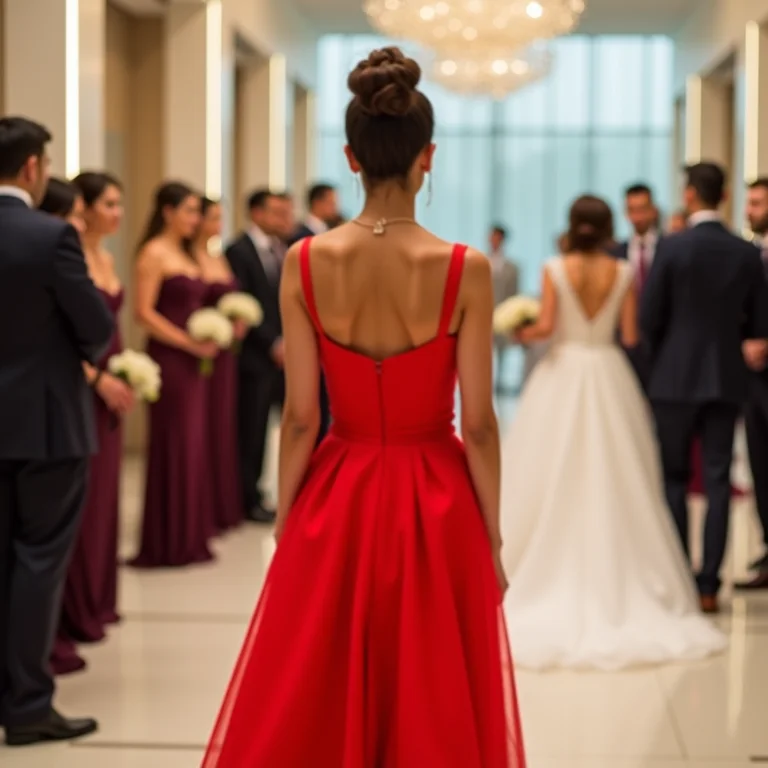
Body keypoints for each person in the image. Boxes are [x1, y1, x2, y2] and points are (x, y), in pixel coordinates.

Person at [202, 47, 526, 767]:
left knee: (320, 683)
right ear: (428, 157)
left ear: (350, 158)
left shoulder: (304, 261)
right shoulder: (464, 268)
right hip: (436, 494)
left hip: (338, 491)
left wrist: (288, 521)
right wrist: (494, 537)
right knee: (431, 684)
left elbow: (298, 418)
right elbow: (477, 422)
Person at [499, 195, 726, 670]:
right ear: (607, 228)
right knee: (617, 475)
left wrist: (522, 329)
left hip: (561, 374)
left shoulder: (554, 267)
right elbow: (629, 336)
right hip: (606, 373)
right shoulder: (621, 273)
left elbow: (545, 326)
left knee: (548, 473)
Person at [0, 116, 113, 744]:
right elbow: (96, 326)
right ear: (32, 169)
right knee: (37, 563)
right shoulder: (49, 237)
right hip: (45, 425)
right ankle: (27, 706)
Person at [641, 163, 768, 613]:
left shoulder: (673, 247)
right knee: (717, 479)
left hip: (673, 379)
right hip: (727, 376)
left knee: (674, 479)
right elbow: (758, 321)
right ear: (726, 197)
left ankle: (680, 575)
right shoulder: (745, 252)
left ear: (690, 195)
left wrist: (656, 368)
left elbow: (649, 316)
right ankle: (710, 584)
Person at [131, 182, 217, 567]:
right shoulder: (153, 253)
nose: (194, 219)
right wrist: (187, 341)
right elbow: (143, 313)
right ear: (167, 211)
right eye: (188, 211)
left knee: (194, 444)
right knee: (173, 443)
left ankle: (190, 534)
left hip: (194, 358)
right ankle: (167, 540)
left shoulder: (187, 252)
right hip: (170, 358)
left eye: (198, 212)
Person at [226, 190, 285, 524]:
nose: (284, 219)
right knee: (251, 428)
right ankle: (247, 496)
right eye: (277, 212)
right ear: (257, 213)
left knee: (267, 427)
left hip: (278, 354)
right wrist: (273, 342)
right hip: (254, 356)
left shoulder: (280, 249)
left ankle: (260, 490)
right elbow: (245, 304)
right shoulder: (238, 251)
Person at [195, 197, 246, 534]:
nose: (219, 224)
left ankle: (221, 505)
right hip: (201, 351)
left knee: (223, 426)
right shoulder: (190, 259)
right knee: (202, 429)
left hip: (225, 353)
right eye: (213, 218)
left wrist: (238, 319)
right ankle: (200, 508)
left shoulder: (219, 256)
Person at [735, 177, 768, 590]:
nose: (750, 210)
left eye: (758, 203)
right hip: (752, 382)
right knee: (760, 466)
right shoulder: (745, 257)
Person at [488, 225, 519, 392]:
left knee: (502, 350)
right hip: (483, 313)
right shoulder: (481, 261)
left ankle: (499, 382)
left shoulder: (512, 267)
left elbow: (514, 293)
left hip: (503, 314)